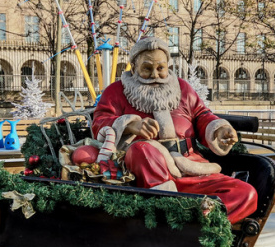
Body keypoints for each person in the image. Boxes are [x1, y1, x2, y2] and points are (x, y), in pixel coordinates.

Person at [92, 36, 258, 224]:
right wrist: (130, 125)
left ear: (168, 66)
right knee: (141, 149)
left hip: (190, 168)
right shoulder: (116, 91)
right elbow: (99, 122)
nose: (155, 74)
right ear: (134, 67)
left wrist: (219, 129)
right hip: (146, 173)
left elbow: (202, 115)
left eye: (160, 68)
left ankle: (190, 223)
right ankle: (172, 211)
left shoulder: (183, 89)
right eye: (147, 68)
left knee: (246, 194)